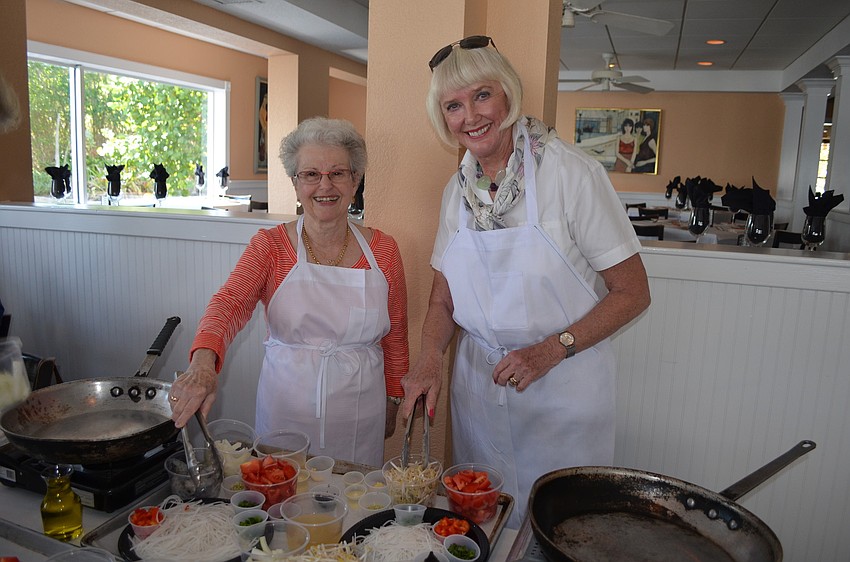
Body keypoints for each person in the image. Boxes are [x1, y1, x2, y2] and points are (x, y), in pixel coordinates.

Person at [402, 36, 650, 527]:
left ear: (508, 94)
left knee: (561, 530)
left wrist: (552, 348)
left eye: (481, 95)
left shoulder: (572, 175)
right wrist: (430, 357)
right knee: (485, 527)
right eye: (453, 105)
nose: (470, 115)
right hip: (481, 393)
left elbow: (634, 292)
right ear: (443, 119)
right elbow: (442, 300)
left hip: (563, 390)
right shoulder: (458, 193)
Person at [170, 117, 409, 467]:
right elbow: (229, 303)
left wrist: (393, 399)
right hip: (286, 409)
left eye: (338, 173)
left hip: (359, 412)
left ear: (355, 181)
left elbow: (396, 336)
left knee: (356, 504)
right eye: (310, 174)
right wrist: (203, 363)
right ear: (296, 184)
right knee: (282, 496)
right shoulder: (271, 246)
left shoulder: (384, 250)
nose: (324, 185)